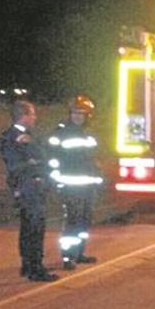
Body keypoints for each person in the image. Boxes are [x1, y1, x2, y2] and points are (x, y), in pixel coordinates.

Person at [0, 100, 58, 281]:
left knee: (30, 227)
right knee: (34, 228)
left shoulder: (27, 135)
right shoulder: (13, 136)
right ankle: (35, 268)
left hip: (34, 185)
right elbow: (16, 164)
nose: (35, 117)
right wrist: (33, 162)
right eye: (32, 114)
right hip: (28, 186)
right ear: (23, 116)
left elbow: (42, 156)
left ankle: (28, 264)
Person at [48, 94, 103, 270]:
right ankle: (67, 257)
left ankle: (79, 253)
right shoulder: (61, 133)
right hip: (70, 186)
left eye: (81, 113)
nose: (78, 116)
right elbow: (52, 159)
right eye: (75, 113)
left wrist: (97, 179)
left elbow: (94, 160)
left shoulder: (90, 134)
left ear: (88, 116)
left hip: (87, 186)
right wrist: (57, 181)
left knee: (84, 221)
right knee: (72, 221)